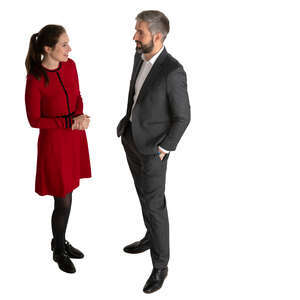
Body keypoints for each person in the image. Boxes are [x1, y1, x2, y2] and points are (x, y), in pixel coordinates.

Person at [117, 10, 191, 293]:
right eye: (136, 30)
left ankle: (160, 266)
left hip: (154, 151)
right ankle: (151, 235)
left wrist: (165, 147)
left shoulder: (173, 71)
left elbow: (183, 117)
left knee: (155, 205)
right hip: (132, 140)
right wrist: (127, 124)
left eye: (140, 32)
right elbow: (136, 95)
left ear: (157, 36)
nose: (134, 36)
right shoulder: (139, 57)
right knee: (144, 196)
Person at [25, 25, 91, 274]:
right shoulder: (35, 79)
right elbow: (34, 120)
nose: (69, 49)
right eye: (64, 44)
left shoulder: (70, 65)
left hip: (74, 138)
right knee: (62, 200)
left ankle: (60, 240)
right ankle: (58, 249)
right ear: (47, 48)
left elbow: (77, 95)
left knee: (70, 191)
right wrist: (67, 122)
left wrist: (80, 115)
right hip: (54, 145)